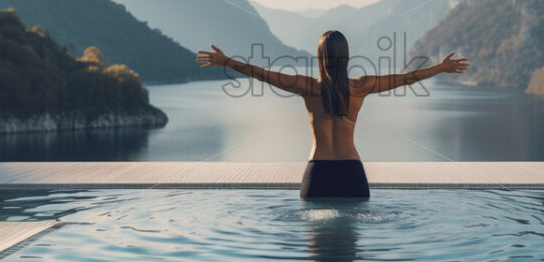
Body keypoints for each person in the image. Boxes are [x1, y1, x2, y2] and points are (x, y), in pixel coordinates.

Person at [196, 30, 469, 200]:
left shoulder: (307, 88)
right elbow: (407, 78)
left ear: (320, 56)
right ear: (346, 56)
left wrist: (226, 62)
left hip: (319, 174)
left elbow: (263, 74)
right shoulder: (361, 87)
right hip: (351, 173)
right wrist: (440, 68)